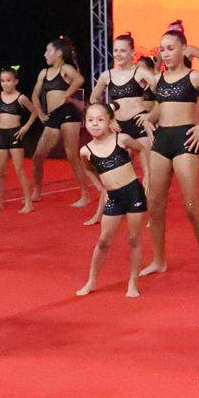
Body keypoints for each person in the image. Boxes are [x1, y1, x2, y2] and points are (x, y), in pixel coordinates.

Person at [142, 30, 199, 279]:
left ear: (183, 50)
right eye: (162, 49)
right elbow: (159, 108)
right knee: (155, 204)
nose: (165, 53)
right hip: (162, 140)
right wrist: (147, 119)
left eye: (170, 48)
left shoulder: (194, 78)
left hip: (185, 140)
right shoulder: (159, 80)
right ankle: (159, 260)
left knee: (191, 205)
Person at [76, 102, 149, 298]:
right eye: (90, 120)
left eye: (100, 120)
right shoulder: (85, 151)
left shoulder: (121, 139)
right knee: (103, 241)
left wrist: (147, 176)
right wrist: (102, 188)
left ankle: (133, 282)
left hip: (133, 193)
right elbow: (89, 169)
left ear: (110, 121)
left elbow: (141, 149)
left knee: (134, 239)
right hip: (114, 198)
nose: (95, 124)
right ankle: (91, 281)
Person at [28, 39, 93, 212]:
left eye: (48, 51)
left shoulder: (66, 68)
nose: (45, 54)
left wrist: (67, 95)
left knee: (72, 155)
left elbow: (79, 80)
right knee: (37, 156)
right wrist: (40, 113)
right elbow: (35, 94)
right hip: (53, 116)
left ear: (58, 53)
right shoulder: (44, 72)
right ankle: (37, 191)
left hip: (68, 113)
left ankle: (85, 194)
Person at [95, 33, 158, 143]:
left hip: (139, 123)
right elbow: (94, 99)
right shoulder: (106, 75)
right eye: (115, 50)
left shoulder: (141, 72)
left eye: (122, 51)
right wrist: (108, 119)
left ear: (132, 52)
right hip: (117, 127)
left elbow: (164, 94)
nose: (118, 54)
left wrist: (151, 115)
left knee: (145, 154)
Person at [0, 67, 33, 211]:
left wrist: (26, 127)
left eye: (8, 80)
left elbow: (35, 112)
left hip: (15, 134)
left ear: (16, 82)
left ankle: (28, 202)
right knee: (0, 172)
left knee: (18, 169)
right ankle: (0, 202)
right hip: (2, 135)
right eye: (2, 81)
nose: (5, 83)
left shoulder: (21, 98)